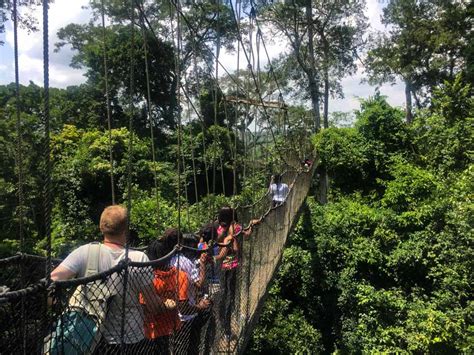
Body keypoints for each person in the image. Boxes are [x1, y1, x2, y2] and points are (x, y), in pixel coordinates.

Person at [50, 205, 162, 354]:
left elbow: (51, 281)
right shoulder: (139, 258)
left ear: (101, 227)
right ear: (125, 229)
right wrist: (167, 304)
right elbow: (153, 304)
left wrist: (59, 306)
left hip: (91, 340)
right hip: (131, 340)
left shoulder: (84, 252)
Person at [163, 229, 211, 355]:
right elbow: (199, 283)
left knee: (174, 347)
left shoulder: (164, 260)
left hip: (167, 313)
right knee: (190, 346)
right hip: (187, 314)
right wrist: (202, 264)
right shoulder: (186, 262)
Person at [140, 238, 189, 354]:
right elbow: (182, 304)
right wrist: (168, 303)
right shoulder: (180, 275)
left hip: (148, 329)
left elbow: (143, 304)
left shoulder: (146, 278)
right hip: (170, 327)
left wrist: (161, 303)